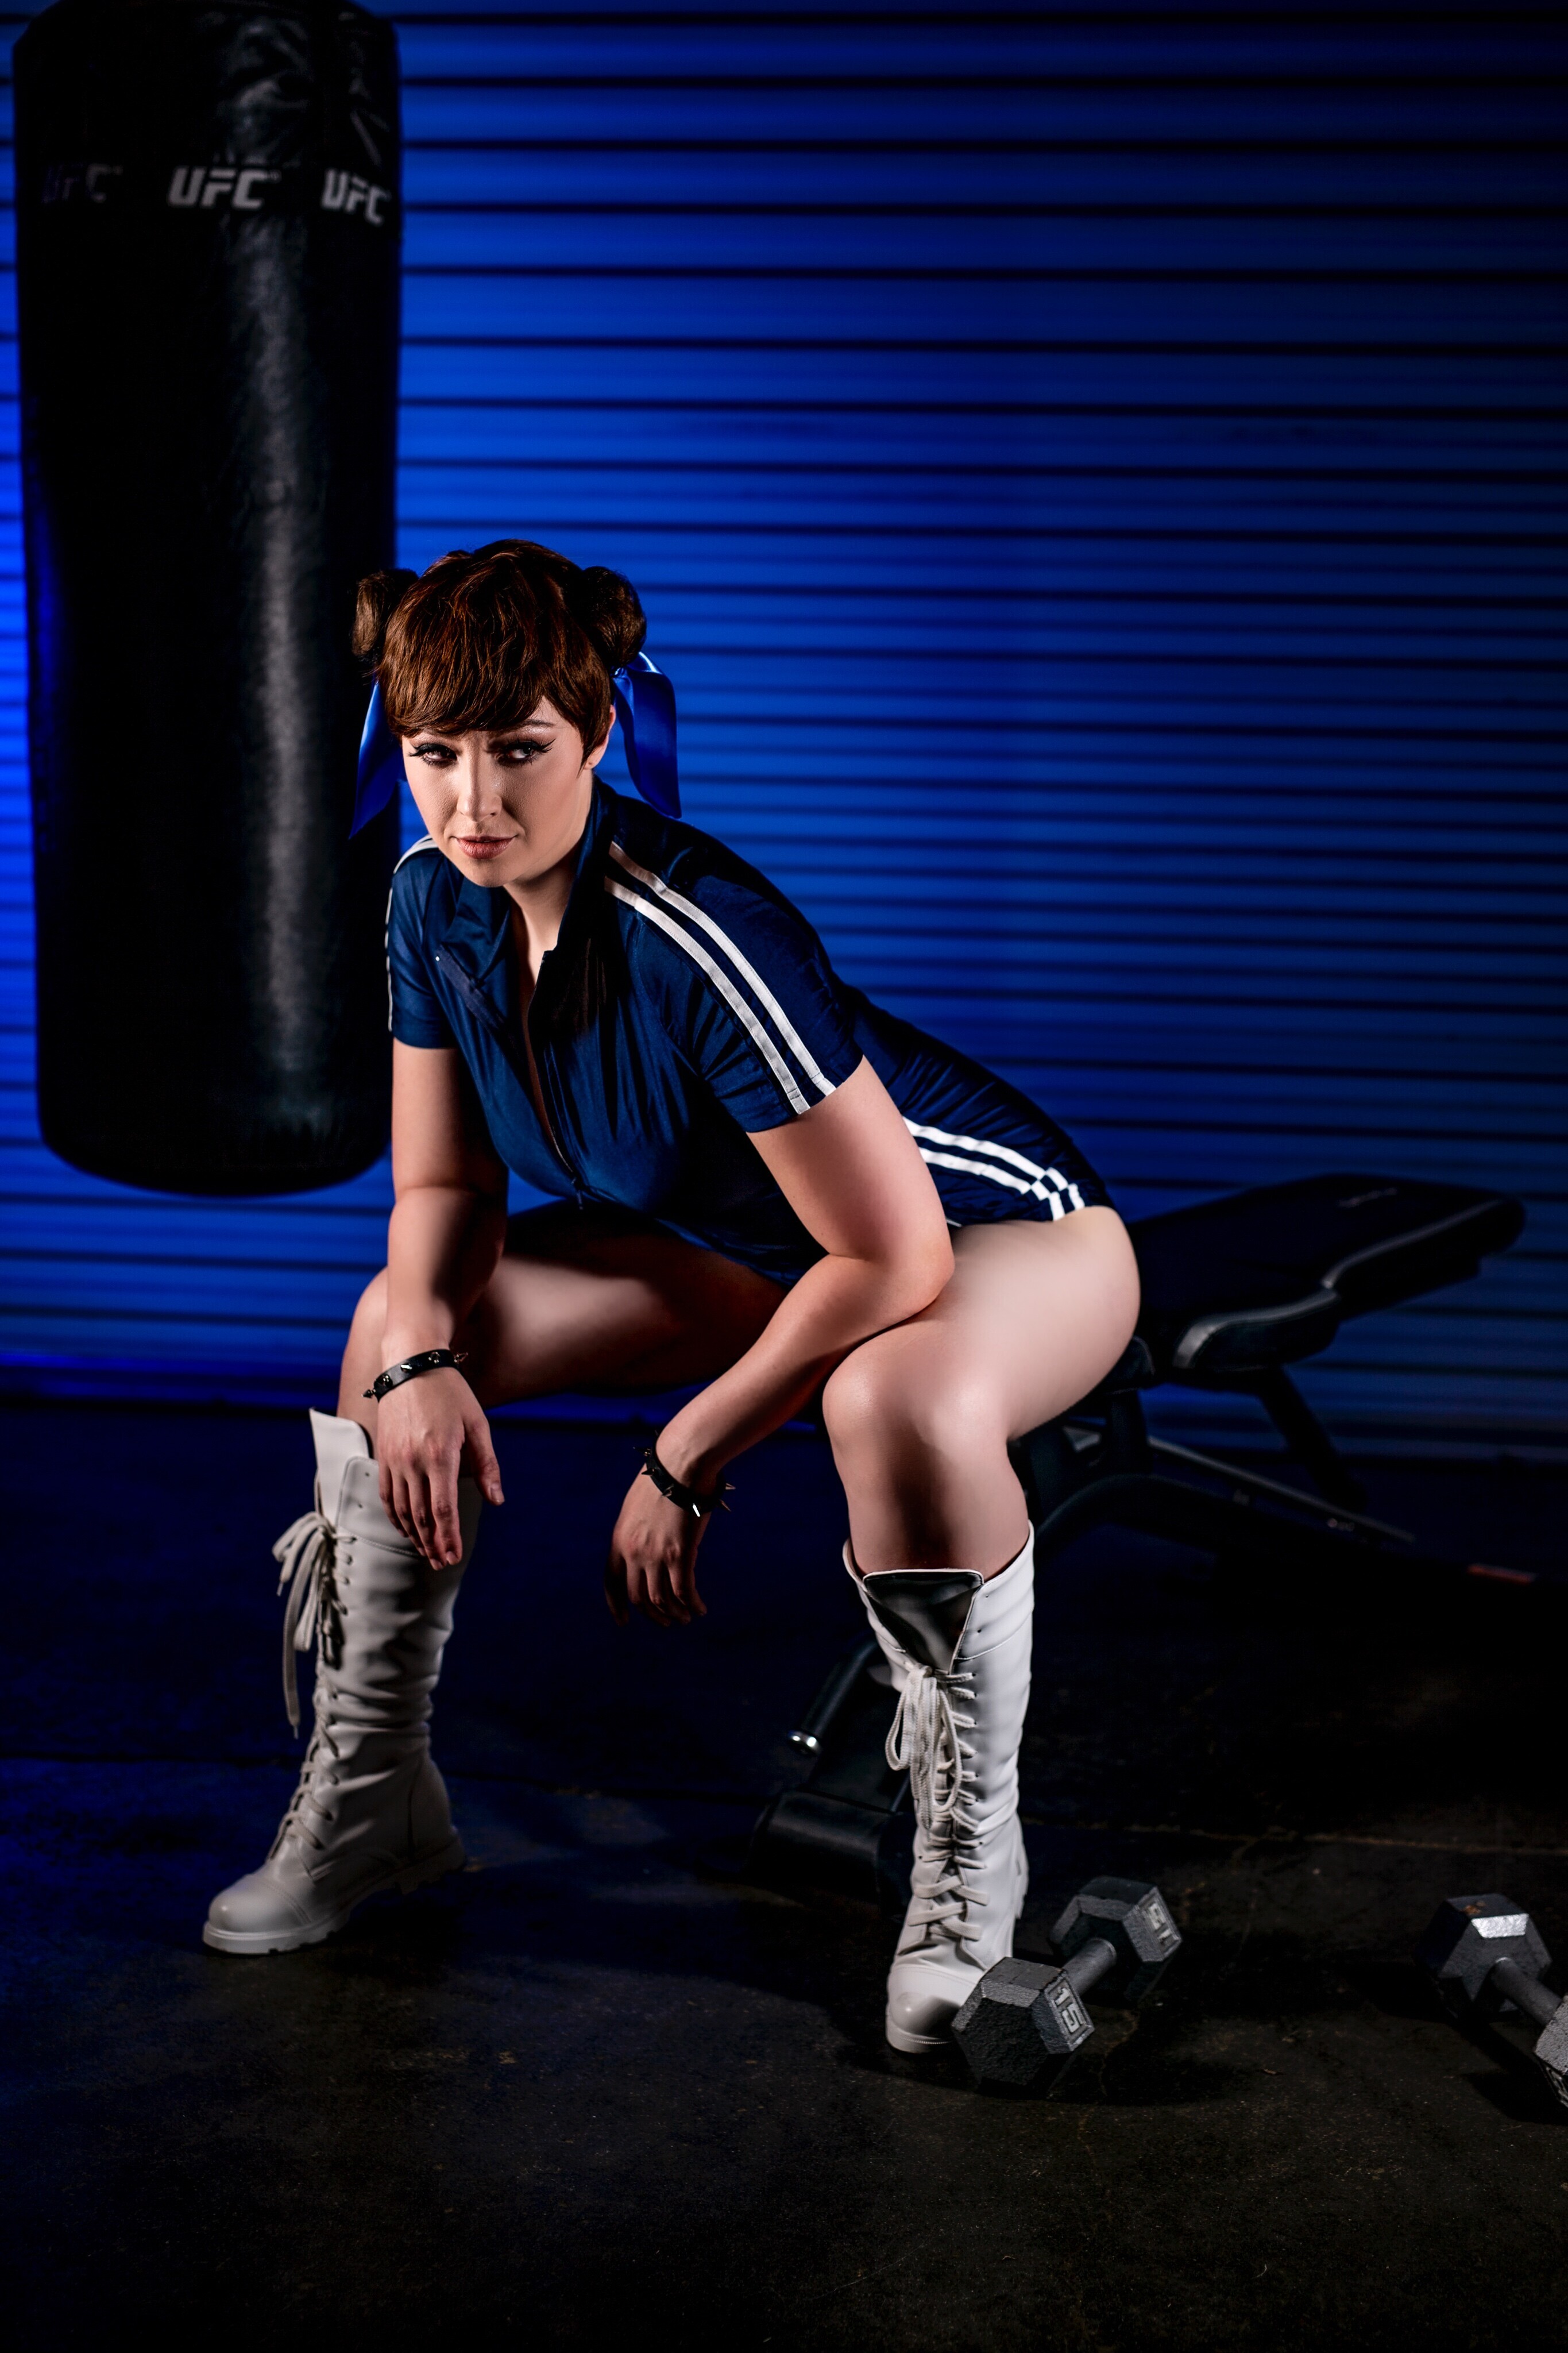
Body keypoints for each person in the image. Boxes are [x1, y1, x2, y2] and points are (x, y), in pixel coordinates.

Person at [204, 540, 1140, 2055]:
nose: (472, 800)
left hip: (1005, 1238)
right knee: (392, 1327)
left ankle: (974, 1869)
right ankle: (375, 1799)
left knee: (891, 1396)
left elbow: (894, 1258)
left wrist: (684, 1454)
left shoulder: (693, 926)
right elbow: (442, 1193)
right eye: (435, 754)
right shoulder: (428, 904)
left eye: (518, 751)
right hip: (761, 1254)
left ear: (596, 735)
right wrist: (422, 1363)